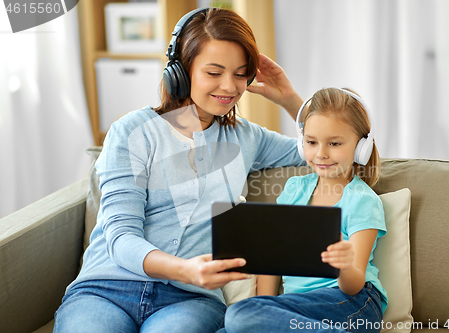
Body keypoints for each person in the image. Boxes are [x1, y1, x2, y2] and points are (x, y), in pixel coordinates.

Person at [53, 7, 304, 333]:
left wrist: (290, 98)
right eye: (214, 72)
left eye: (241, 73)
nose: (230, 87)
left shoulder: (247, 138)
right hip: (107, 289)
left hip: (189, 300)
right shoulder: (132, 131)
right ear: (180, 72)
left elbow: (345, 153)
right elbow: (121, 236)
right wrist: (184, 269)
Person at [221, 87, 387, 333]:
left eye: (334, 143)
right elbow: (272, 259)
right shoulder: (294, 189)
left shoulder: (362, 200)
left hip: (354, 302)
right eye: (311, 142)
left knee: (240, 316)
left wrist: (343, 265)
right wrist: (266, 307)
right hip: (298, 309)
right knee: (236, 323)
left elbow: (354, 284)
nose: (321, 153)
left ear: (361, 146)